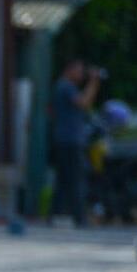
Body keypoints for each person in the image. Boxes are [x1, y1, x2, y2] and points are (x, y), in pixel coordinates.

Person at [52, 58, 102, 227]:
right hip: (70, 140)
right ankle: (79, 218)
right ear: (70, 70)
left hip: (65, 139)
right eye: (80, 71)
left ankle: (56, 215)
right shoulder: (66, 86)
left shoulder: (63, 86)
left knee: (63, 180)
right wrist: (94, 81)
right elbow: (84, 103)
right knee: (76, 180)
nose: (82, 75)